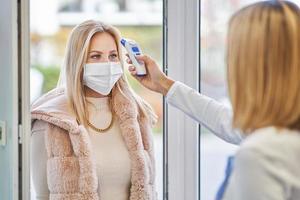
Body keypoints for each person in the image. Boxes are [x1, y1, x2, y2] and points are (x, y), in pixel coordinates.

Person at [127, 1, 300, 199]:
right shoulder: (283, 135)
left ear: (248, 64)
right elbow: (228, 121)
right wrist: (164, 85)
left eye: (232, 53)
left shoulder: (262, 155)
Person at [30, 20, 158, 200]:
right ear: (78, 61)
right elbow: (42, 196)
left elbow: (149, 189)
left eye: (113, 56)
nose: (107, 63)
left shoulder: (137, 115)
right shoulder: (50, 123)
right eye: (95, 56)